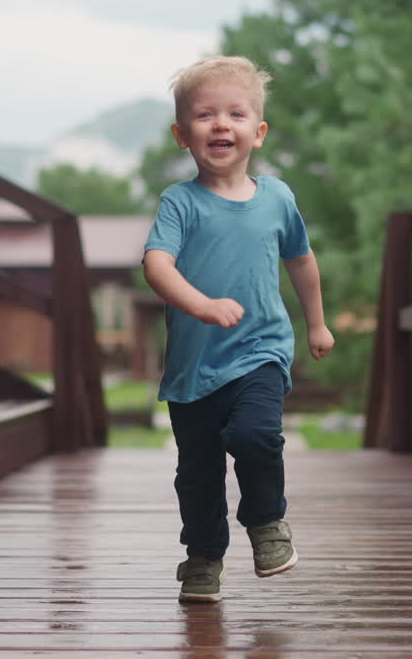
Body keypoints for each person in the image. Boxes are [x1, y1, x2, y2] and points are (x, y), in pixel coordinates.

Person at [142, 55, 334, 603]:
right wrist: (198, 303)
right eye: (204, 115)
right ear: (183, 135)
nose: (221, 124)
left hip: (260, 351)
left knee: (255, 437)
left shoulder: (278, 198)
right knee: (198, 475)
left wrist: (317, 325)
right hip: (193, 367)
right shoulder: (179, 203)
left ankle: (267, 521)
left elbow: (301, 261)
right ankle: (202, 557)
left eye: (235, 113)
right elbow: (156, 264)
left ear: (258, 131)